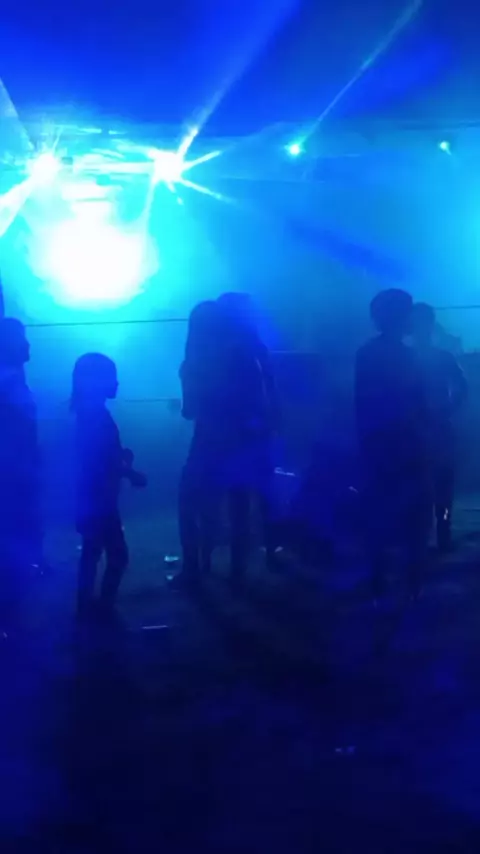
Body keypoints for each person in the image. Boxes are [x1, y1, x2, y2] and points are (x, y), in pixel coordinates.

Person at [178, 295, 278, 585]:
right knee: (239, 504)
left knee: (191, 502)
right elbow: (259, 400)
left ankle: (194, 567)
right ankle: (238, 571)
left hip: (208, 440)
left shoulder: (196, 363)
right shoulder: (245, 355)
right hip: (243, 440)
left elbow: (189, 410)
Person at [355, 289, 431, 600]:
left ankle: (379, 578)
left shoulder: (367, 353)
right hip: (405, 442)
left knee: (380, 511)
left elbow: (361, 403)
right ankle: (411, 580)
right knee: (413, 513)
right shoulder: (409, 356)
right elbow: (419, 403)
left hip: (380, 443)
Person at [71, 353, 146, 620]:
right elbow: (102, 461)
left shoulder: (89, 415)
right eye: (112, 377)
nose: (117, 383)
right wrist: (131, 473)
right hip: (100, 499)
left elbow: (100, 456)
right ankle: (104, 607)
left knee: (91, 551)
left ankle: (85, 605)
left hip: (90, 497)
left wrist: (122, 460)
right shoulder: (97, 417)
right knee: (117, 555)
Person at [411, 302, 468, 551]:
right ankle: (437, 528)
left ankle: (439, 527)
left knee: (439, 481)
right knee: (432, 481)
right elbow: (462, 387)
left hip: (428, 428)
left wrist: (447, 409)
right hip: (420, 429)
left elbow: (461, 387)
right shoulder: (430, 357)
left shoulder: (432, 357)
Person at [0, 318, 40, 633]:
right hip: (13, 472)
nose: (27, 344)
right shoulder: (8, 382)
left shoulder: (12, 379)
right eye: (21, 339)